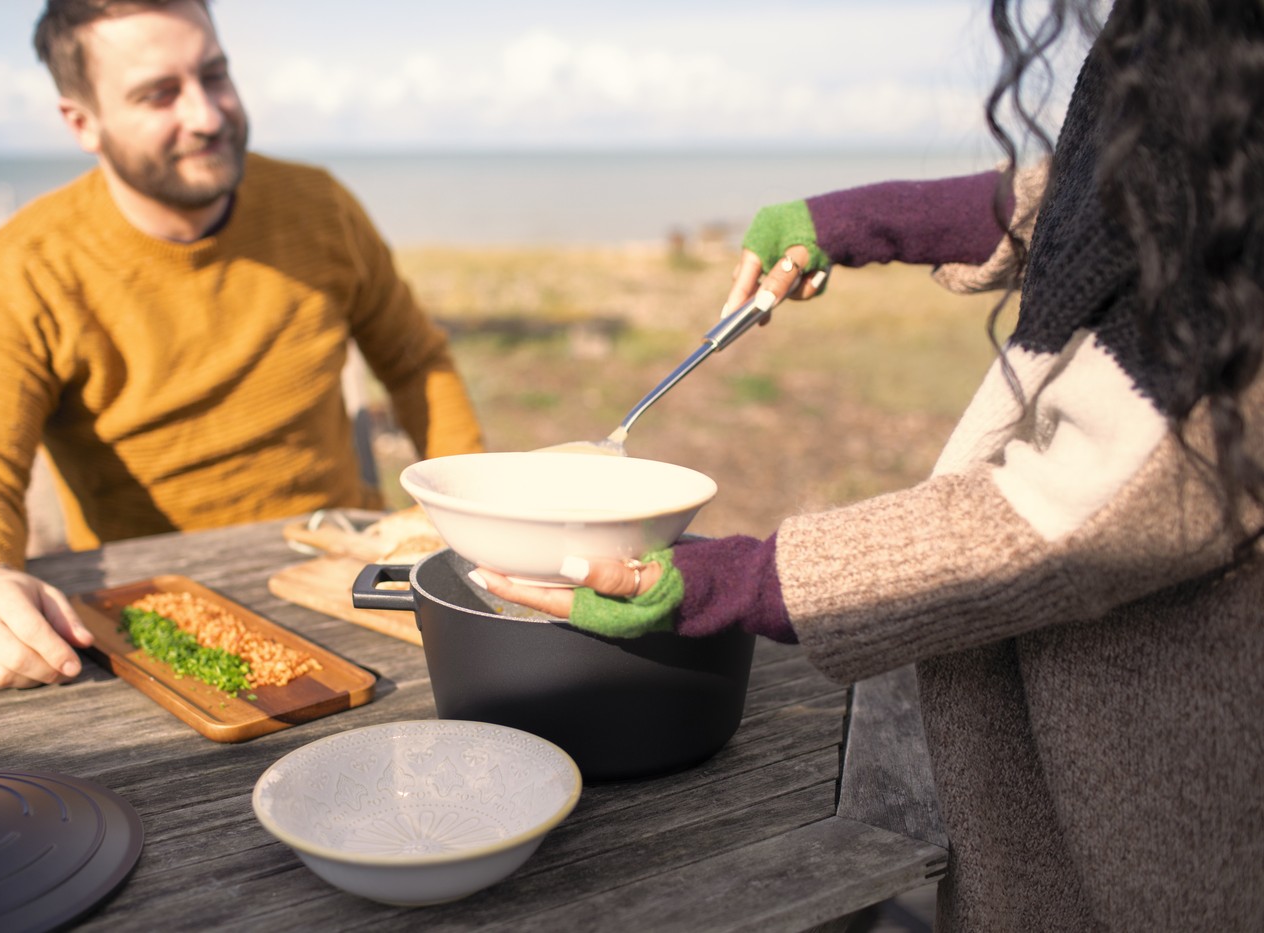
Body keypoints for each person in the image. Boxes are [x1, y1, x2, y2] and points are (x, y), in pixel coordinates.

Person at [473, 1, 1264, 929]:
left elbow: (1086, 506)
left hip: (1154, 785)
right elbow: (1127, 193)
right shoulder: (1188, 30)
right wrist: (869, 221)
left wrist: (743, 579)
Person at [0, 0, 484, 694]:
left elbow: (417, 364)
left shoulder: (319, 205)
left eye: (215, 75)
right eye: (159, 94)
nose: (207, 115)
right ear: (82, 122)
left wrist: (476, 512)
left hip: (346, 575)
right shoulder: (20, 269)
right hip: (160, 624)